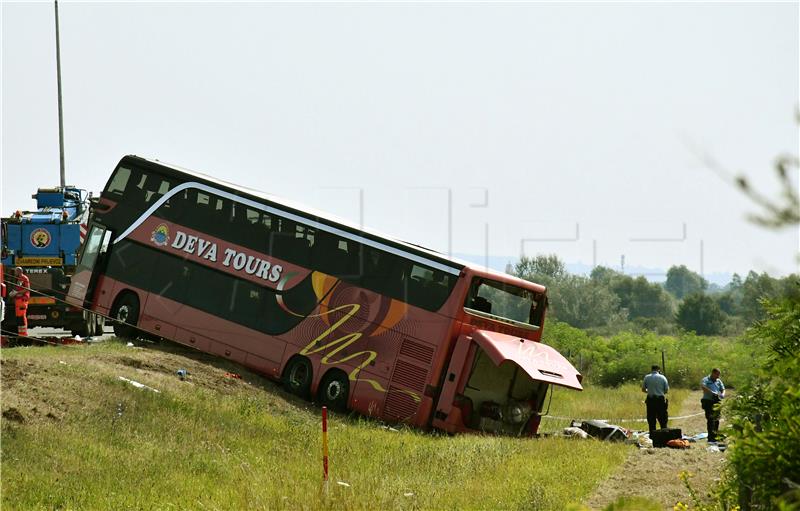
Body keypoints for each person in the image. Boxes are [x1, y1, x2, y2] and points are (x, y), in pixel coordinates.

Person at [642, 364, 669, 434]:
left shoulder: (647, 377)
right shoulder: (663, 377)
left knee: (651, 419)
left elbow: (643, 389)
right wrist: (659, 391)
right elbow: (666, 390)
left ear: (651, 369)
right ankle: (664, 434)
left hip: (650, 400)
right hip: (660, 400)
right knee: (662, 419)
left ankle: (653, 435)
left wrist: (650, 391)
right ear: (658, 370)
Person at [701, 368, 725, 442]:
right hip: (708, 401)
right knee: (710, 419)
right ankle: (710, 437)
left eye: (719, 375)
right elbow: (703, 387)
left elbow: (723, 389)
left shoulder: (718, 381)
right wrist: (712, 392)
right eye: (717, 374)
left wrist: (722, 394)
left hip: (717, 401)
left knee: (717, 419)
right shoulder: (706, 380)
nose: (718, 376)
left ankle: (715, 435)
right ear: (713, 373)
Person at [7, 267, 30, 337]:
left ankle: (23, 335)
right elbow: (20, 288)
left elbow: (27, 289)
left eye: (15, 271)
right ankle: (21, 334)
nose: (14, 273)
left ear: (19, 272)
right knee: (19, 318)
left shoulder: (24, 278)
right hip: (18, 301)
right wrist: (14, 293)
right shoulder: (20, 279)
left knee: (22, 318)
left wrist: (16, 292)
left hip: (22, 301)